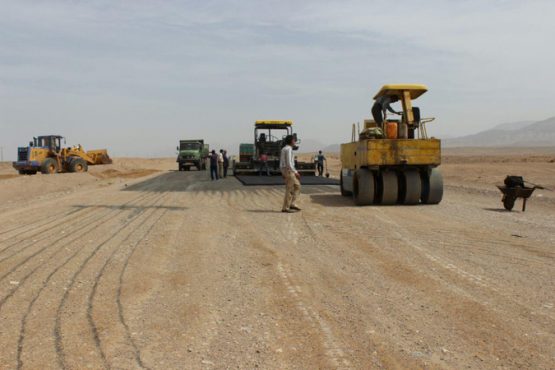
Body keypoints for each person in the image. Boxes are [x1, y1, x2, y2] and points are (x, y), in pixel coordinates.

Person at [280, 135, 301, 213]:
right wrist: (296, 172)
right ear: (291, 141)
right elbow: (289, 163)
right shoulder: (288, 149)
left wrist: (282, 172)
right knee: (289, 189)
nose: (295, 141)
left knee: (297, 186)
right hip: (289, 171)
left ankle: (292, 203)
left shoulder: (284, 148)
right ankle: (285, 208)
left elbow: (281, 162)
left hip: (287, 170)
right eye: (294, 140)